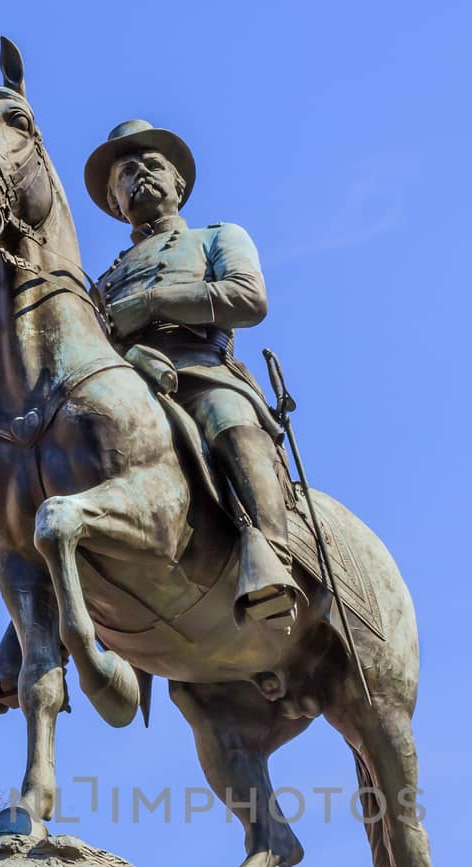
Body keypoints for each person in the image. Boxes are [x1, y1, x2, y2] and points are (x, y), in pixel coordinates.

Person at [84, 120, 299, 629]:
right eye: (125, 173)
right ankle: (40, 617)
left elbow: (249, 299)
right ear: (115, 203)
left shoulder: (219, 237)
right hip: (128, 384)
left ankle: (271, 554)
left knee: (229, 422)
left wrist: (154, 303)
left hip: (202, 371)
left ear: (178, 184)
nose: (140, 174)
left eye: (153, 165)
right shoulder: (104, 281)